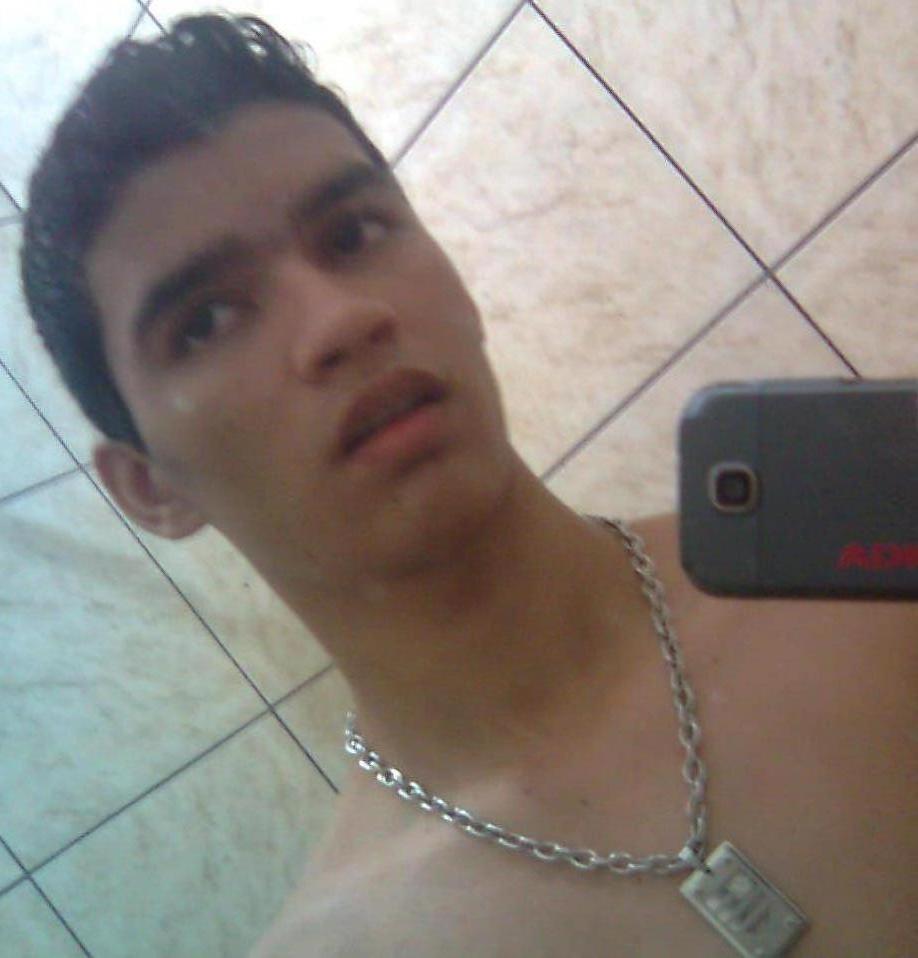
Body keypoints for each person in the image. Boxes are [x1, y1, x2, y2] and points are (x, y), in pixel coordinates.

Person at [19, 14, 915, 957]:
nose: (341, 318)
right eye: (206, 320)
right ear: (149, 487)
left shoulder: (859, 581)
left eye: (356, 232)